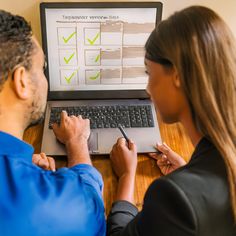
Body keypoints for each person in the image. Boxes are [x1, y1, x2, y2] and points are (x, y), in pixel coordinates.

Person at [107, 6, 236, 235]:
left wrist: (127, 176)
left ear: (176, 75)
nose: (148, 89)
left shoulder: (173, 196)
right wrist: (189, 171)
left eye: (149, 73)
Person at [0, 10, 105, 235]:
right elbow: (90, 206)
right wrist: (77, 142)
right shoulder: (52, 206)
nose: (45, 78)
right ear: (22, 81)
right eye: (42, 68)